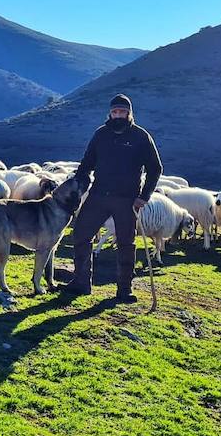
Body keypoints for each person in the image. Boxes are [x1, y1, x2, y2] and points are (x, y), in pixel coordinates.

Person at [63, 93, 162, 303]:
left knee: (126, 243)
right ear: (110, 113)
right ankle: (81, 282)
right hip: (98, 195)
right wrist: (77, 188)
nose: (118, 115)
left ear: (129, 113)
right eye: (115, 111)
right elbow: (87, 163)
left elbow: (155, 168)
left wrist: (144, 197)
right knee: (81, 234)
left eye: (122, 112)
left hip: (127, 200)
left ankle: (124, 289)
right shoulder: (101, 134)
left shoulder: (141, 137)